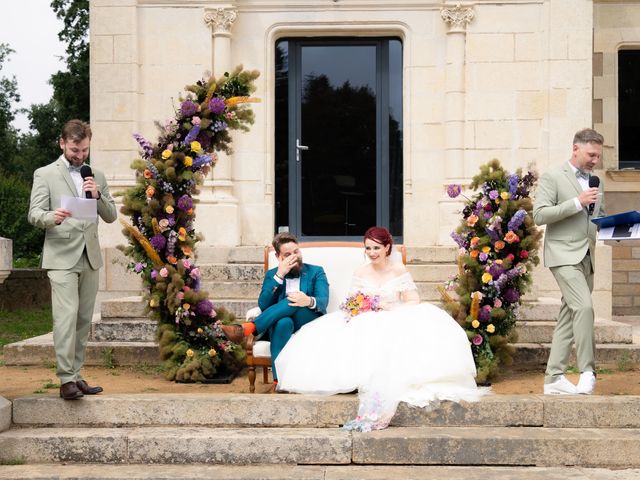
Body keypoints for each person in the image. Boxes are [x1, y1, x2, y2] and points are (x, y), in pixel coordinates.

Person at [275, 227, 487, 431]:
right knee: (353, 332)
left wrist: (392, 307)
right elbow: (352, 301)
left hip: (393, 315)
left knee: (393, 334)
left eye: (376, 248)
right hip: (365, 316)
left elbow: (413, 299)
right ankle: (354, 379)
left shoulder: (398, 270)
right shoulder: (361, 271)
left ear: (387, 248)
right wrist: (364, 305)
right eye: (368, 248)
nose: (372, 253)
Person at [28, 119, 117, 400]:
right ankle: (66, 378)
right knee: (65, 318)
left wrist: (98, 195)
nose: (80, 156)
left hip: (89, 256)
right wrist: (51, 217)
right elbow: (34, 213)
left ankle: (76, 376)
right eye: (75, 150)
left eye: (84, 151)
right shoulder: (45, 174)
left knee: (82, 320)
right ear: (62, 143)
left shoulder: (97, 175)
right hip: (61, 257)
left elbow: (111, 215)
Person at [533, 128, 605, 395]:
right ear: (575, 149)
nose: (595, 160)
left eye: (598, 156)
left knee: (569, 315)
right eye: (591, 154)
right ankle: (588, 371)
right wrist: (577, 202)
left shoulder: (597, 181)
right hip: (562, 255)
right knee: (584, 307)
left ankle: (553, 378)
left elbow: (599, 216)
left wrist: (619, 229)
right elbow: (540, 215)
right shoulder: (553, 176)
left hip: (588, 256)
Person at [221, 232, 329, 391]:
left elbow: (323, 301)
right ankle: (279, 383)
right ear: (279, 257)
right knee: (283, 323)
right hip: (281, 322)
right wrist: (280, 275)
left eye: (296, 252)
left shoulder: (316, 271)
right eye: (287, 254)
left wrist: (307, 300)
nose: (294, 257)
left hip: (309, 319)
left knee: (290, 301)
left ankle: (249, 328)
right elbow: (264, 305)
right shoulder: (273, 275)